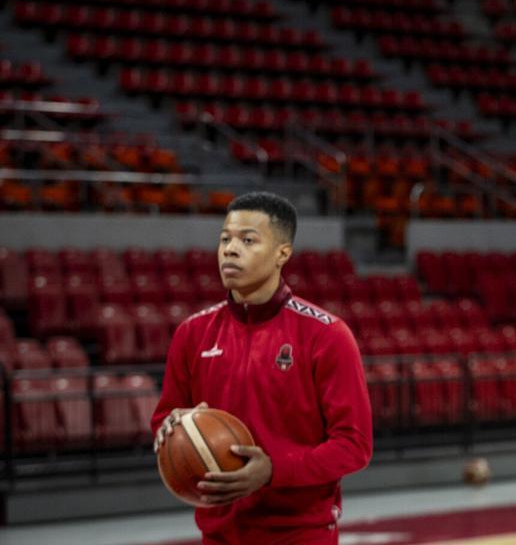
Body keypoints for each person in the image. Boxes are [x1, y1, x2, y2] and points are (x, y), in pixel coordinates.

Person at [151, 192, 373, 544]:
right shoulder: (191, 334)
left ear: (282, 254)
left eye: (248, 240)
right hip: (219, 534)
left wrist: (274, 470)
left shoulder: (327, 335)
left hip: (300, 534)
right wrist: (169, 430)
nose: (230, 249)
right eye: (225, 238)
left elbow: (354, 445)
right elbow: (165, 417)